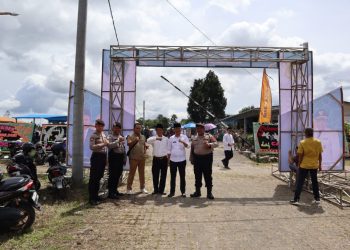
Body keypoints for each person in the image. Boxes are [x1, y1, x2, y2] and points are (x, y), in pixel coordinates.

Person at [290, 128, 323, 205]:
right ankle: (317, 198)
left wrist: (298, 165)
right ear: (312, 133)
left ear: (306, 134)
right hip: (314, 166)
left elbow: (300, 156)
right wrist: (320, 165)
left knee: (300, 182)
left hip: (304, 165)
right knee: (315, 182)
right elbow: (320, 155)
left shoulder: (302, 142)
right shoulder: (318, 142)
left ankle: (296, 200)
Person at [190, 123, 218, 199]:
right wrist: (191, 158)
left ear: (204, 129)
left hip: (207, 158)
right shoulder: (194, 137)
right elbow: (192, 149)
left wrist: (209, 144)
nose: (199, 130)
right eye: (197, 128)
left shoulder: (209, 136)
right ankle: (197, 192)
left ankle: (209, 193)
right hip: (197, 159)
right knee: (197, 175)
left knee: (208, 175)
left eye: (201, 128)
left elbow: (216, 143)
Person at [89, 119, 109, 205]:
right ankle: (91, 198)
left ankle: (96, 196)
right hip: (96, 157)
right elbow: (92, 147)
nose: (100, 127)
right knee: (94, 178)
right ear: (95, 126)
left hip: (103, 157)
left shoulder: (103, 134)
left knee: (99, 177)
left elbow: (106, 147)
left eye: (102, 126)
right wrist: (103, 144)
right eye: (99, 125)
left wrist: (106, 159)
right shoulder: (94, 135)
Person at [167, 122, 190, 197]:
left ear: (180, 129)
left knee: (182, 176)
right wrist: (168, 161)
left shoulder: (184, 137)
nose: (177, 130)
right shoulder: (171, 138)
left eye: (179, 128)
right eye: (176, 129)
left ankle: (183, 192)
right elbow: (169, 150)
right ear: (174, 129)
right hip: (173, 160)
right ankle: (172, 192)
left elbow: (188, 146)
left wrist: (183, 142)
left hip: (182, 160)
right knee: (173, 177)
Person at [147, 124, 169, 195]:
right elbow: (147, 141)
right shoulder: (153, 138)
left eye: (160, 130)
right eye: (158, 130)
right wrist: (156, 138)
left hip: (164, 159)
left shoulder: (166, 139)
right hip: (156, 159)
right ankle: (156, 190)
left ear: (163, 130)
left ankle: (161, 190)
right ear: (156, 131)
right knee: (155, 175)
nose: (159, 131)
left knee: (163, 175)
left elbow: (168, 149)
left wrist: (168, 159)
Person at [126, 123, 148, 194]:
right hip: (133, 158)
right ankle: (129, 189)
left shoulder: (143, 136)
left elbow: (144, 145)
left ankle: (142, 188)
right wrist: (135, 140)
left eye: (139, 128)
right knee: (132, 173)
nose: (138, 129)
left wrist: (145, 151)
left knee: (142, 173)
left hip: (142, 158)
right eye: (137, 128)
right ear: (134, 129)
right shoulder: (130, 136)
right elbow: (129, 144)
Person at [107, 122, 126, 199]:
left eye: (118, 128)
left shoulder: (121, 136)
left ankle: (115, 190)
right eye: (115, 127)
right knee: (112, 175)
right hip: (113, 158)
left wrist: (124, 158)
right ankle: (110, 192)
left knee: (118, 174)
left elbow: (123, 149)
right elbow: (109, 145)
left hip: (120, 158)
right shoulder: (110, 136)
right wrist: (118, 140)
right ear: (112, 128)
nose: (117, 129)